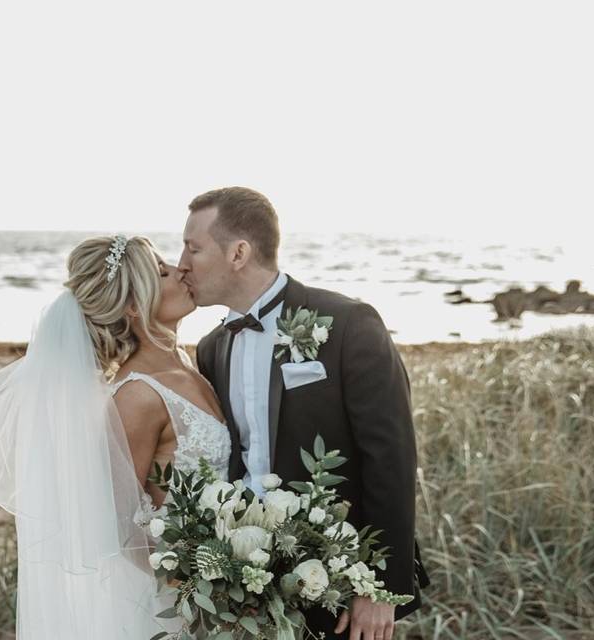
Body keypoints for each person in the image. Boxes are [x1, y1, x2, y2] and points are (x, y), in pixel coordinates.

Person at [0, 235, 231, 638]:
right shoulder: (138, 397)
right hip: (184, 606)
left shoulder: (189, 364)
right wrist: (202, 585)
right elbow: (117, 527)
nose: (181, 269)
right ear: (132, 305)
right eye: (162, 272)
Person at [180, 186, 431, 640]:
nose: (181, 263)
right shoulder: (212, 349)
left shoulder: (349, 323)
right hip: (247, 585)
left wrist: (380, 586)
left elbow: (391, 459)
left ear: (238, 252)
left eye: (193, 248)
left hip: (339, 583)